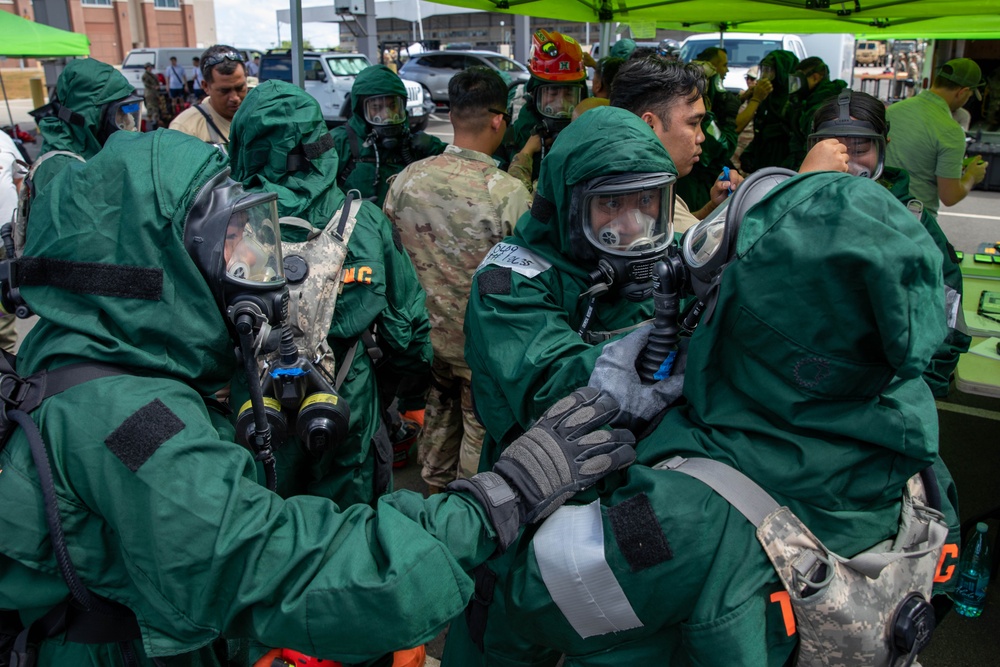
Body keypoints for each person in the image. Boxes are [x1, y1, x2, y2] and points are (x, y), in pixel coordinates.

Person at [0, 128, 636, 666]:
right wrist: (497, 498)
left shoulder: (83, 352)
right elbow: (278, 565)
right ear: (151, 263)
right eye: (230, 242)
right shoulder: (126, 419)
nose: (253, 262)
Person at [495, 168, 961, 667]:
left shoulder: (679, 514)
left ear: (751, 317)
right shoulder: (922, 467)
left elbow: (533, 599)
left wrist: (548, 486)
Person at [443, 105, 681, 667]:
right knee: (510, 632)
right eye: (611, 204)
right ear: (569, 207)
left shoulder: (660, 267)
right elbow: (560, 386)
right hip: (538, 490)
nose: (632, 226)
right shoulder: (509, 279)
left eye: (648, 203)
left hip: (629, 495)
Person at [229, 79, 434, 508]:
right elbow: (407, 330)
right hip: (346, 401)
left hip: (252, 405)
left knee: (262, 518)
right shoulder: (366, 222)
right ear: (323, 145)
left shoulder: (222, 228)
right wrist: (404, 394)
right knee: (352, 525)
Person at [384, 67, 530, 494]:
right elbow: (526, 273)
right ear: (499, 119)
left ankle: (432, 492)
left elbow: (389, 250)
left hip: (423, 339)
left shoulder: (408, 179)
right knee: (478, 429)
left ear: (452, 115)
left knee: (438, 413)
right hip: (477, 346)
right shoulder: (505, 192)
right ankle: (469, 509)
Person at [809, 89, 972, 396]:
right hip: (804, 385)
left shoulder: (914, 225)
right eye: (833, 148)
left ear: (885, 148)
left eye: (860, 148)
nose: (847, 162)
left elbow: (948, 322)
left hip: (879, 394)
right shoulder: (791, 211)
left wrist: (917, 394)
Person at [610, 58, 743, 232]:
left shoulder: (652, 185)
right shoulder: (639, 196)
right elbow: (700, 245)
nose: (701, 137)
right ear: (650, 126)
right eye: (693, 123)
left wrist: (713, 207)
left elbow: (686, 229)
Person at [331, 65, 446, 208]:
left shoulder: (414, 144)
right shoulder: (340, 142)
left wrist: (436, 148)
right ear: (360, 110)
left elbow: (461, 169)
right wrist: (346, 207)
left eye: (393, 106)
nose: (387, 115)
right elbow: (316, 191)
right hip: (359, 228)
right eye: (376, 107)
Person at [886, 58, 988, 215]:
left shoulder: (892, 111)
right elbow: (950, 196)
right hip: (915, 221)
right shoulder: (951, 131)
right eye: (968, 96)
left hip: (878, 208)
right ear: (963, 92)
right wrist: (971, 177)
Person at [501, 30, 588, 183]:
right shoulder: (515, 136)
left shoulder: (589, 133)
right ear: (534, 95)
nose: (561, 104)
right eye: (552, 93)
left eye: (569, 94)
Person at [170, 45, 248, 147]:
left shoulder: (262, 116)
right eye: (225, 91)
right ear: (206, 86)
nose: (235, 98)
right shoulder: (184, 129)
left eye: (239, 88)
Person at [738, 48, 800, 173]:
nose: (766, 76)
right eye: (764, 70)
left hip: (782, 160)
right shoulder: (766, 97)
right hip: (763, 157)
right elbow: (759, 129)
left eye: (770, 70)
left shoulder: (794, 100)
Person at [787, 56, 847, 167]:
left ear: (815, 78)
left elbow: (810, 151)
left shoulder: (820, 109)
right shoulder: (814, 102)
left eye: (798, 81)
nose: (795, 87)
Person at [0, 130, 26, 351]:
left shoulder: (3, 138)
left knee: (4, 309)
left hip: (4, 241)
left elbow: (20, 180)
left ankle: (5, 367)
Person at [141, 62, 162, 129]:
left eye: (150, 67)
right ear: (146, 68)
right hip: (149, 93)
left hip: (155, 93)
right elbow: (147, 84)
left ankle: (156, 119)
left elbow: (157, 82)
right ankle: (150, 120)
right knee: (150, 106)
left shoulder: (153, 75)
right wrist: (154, 87)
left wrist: (158, 86)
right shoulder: (145, 75)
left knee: (156, 106)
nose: (150, 68)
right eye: (149, 67)